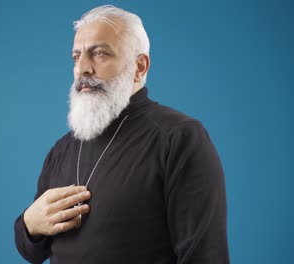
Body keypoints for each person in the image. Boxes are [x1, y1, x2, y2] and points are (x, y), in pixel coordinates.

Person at [14, 5, 229, 264]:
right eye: (76, 56)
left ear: (139, 66)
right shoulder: (62, 150)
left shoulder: (179, 139)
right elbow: (33, 251)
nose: (82, 68)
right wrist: (29, 224)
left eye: (99, 53)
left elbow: (205, 257)